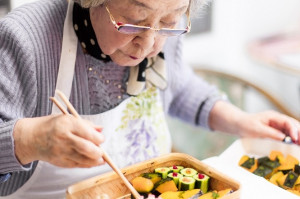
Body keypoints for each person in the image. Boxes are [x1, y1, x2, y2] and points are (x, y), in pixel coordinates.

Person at [0, 0, 299, 198]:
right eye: (133, 22)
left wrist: (243, 121)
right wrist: (27, 140)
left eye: (169, 22)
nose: (149, 43)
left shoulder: (164, 19)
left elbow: (178, 87)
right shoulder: (25, 39)